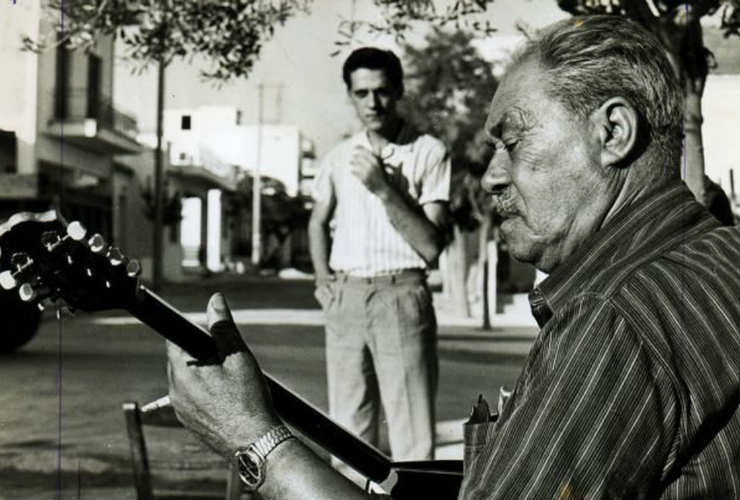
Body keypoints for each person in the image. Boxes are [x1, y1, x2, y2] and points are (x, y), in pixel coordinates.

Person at [166, 15, 740, 499]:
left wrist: (256, 442)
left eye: (512, 143)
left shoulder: (612, 319)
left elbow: (429, 241)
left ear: (613, 132)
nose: (491, 177)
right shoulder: (719, 253)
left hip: (400, 290)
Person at [307, 47, 451, 462]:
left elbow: (431, 246)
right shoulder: (339, 157)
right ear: (350, 96)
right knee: (348, 434)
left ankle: (415, 494)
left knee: (412, 436)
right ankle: (351, 492)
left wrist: (384, 188)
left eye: (382, 91)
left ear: (399, 90)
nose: (373, 103)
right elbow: (317, 222)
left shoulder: (428, 151)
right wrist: (323, 282)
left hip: (401, 294)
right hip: (347, 297)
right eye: (361, 93)